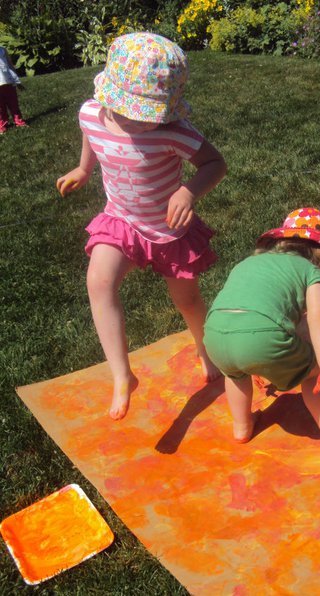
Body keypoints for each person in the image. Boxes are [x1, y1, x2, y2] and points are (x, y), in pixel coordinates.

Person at [56, 33, 227, 420]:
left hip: (168, 231)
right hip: (122, 221)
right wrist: (84, 169)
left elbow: (215, 164)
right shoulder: (89, 113)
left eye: (155, 114)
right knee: (99, 282)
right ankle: (122, 374)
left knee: (187, 301)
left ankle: (205, 349)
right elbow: (91, 136)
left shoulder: (173, 130)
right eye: (140, 113)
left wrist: (187, 192)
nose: (148, 121)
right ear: (112, 100)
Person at [203, 207, 320, 449]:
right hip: (261, 337)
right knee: (313, 373)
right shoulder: (311, 272)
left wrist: (252, 354)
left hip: (215, 333)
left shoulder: (251, 262)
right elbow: (319, 318)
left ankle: (242, 427)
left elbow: (248, 307)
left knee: (235, 374)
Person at [0, 45, 27, 134]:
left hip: (8, 82)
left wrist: (17, 81)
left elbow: (10, 66)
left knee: (13, 103)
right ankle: (2, 125)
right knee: (0, 107)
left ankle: (18, 121)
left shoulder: (3, 50)